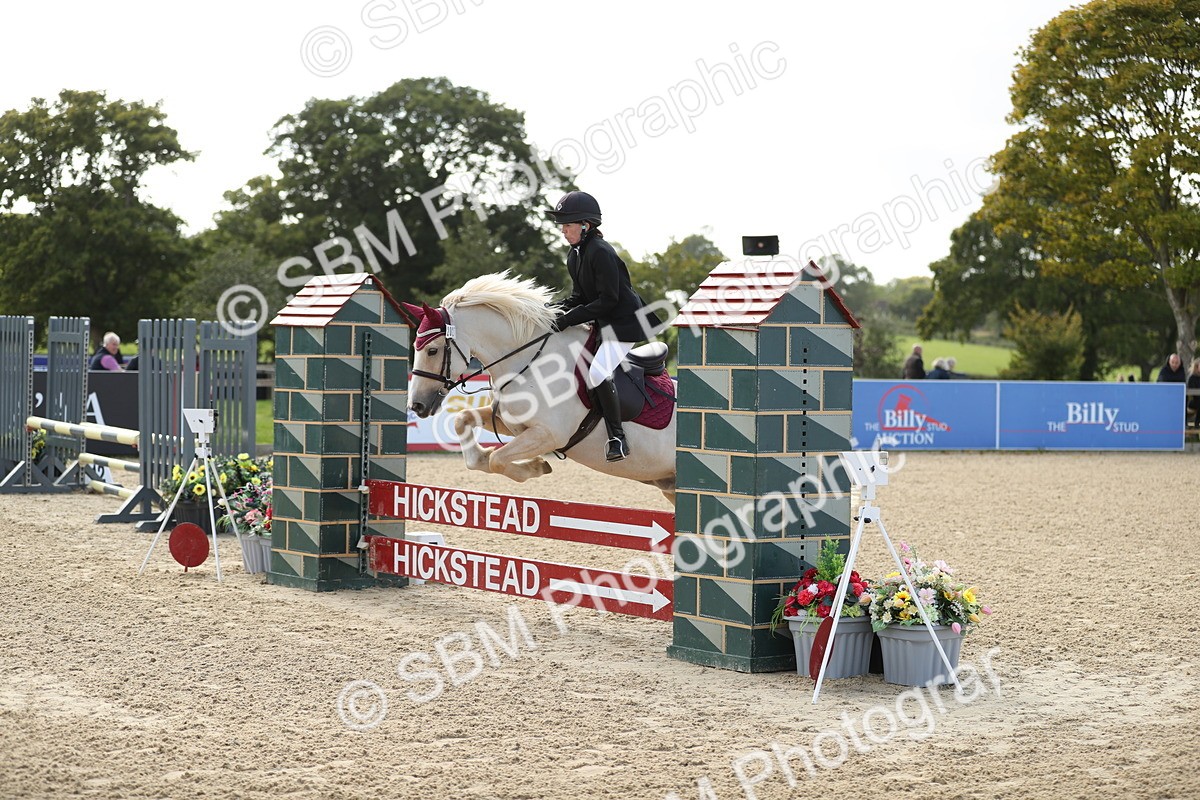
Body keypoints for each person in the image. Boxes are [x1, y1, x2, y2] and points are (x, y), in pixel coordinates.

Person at [547, 191, 662, 462]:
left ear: (585, 225)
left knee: (597, 373)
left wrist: (567, 320)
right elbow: (578, 298)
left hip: (623, 325)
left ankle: (617, 438)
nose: (563, 230)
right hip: (603, 323)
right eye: (562, 225)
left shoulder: (601, 252)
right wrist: (550, 312)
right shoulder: (575, 254)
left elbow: (608, 301)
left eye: (567, 225)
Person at [1188, 361, 1200, 427]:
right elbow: (1193, 393)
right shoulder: (1192, 378)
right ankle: (1197, 423)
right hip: (1194, 401)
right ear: (1197, 367)